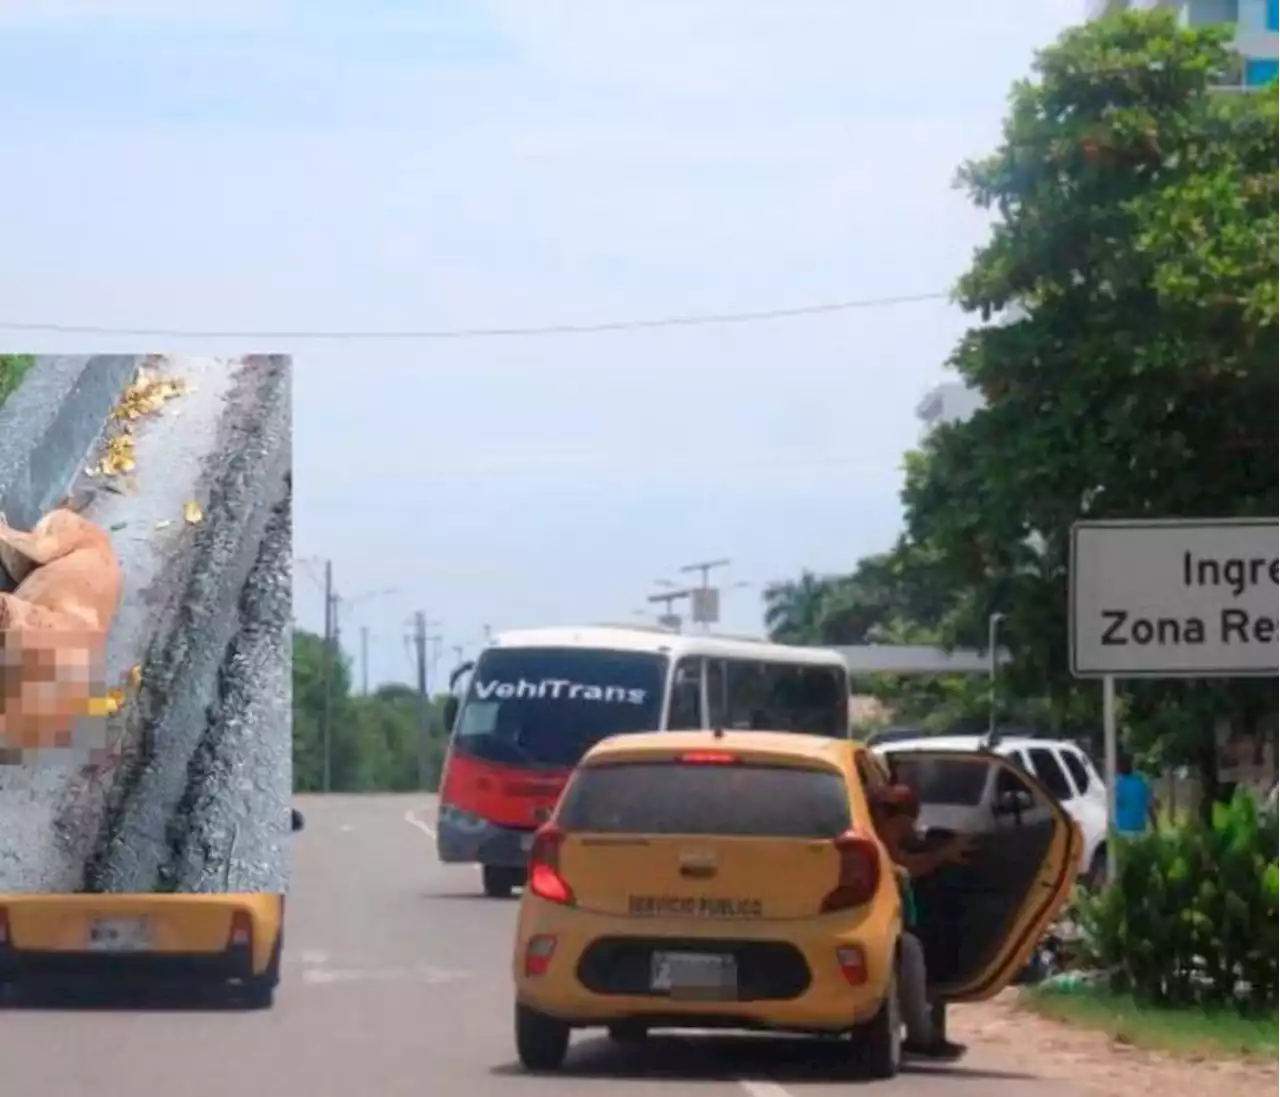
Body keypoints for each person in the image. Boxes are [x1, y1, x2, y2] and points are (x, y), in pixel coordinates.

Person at [871, 783, 976, 1062]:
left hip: (902, 918)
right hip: (880, 924)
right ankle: (922, 1037)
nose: (911, 827)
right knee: (915, 952)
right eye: (907, 819)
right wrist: (943, 854)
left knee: (938, 945)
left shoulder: (890, 832)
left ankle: (931, 1034)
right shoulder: (875, 838)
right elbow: (905, 866)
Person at [1114, 751, 1157, 837]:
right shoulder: (1143, 780)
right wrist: (1156, 829)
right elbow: (1150, 807)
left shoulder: (1116, 782)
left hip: (1120, 832)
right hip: (1139, 831)